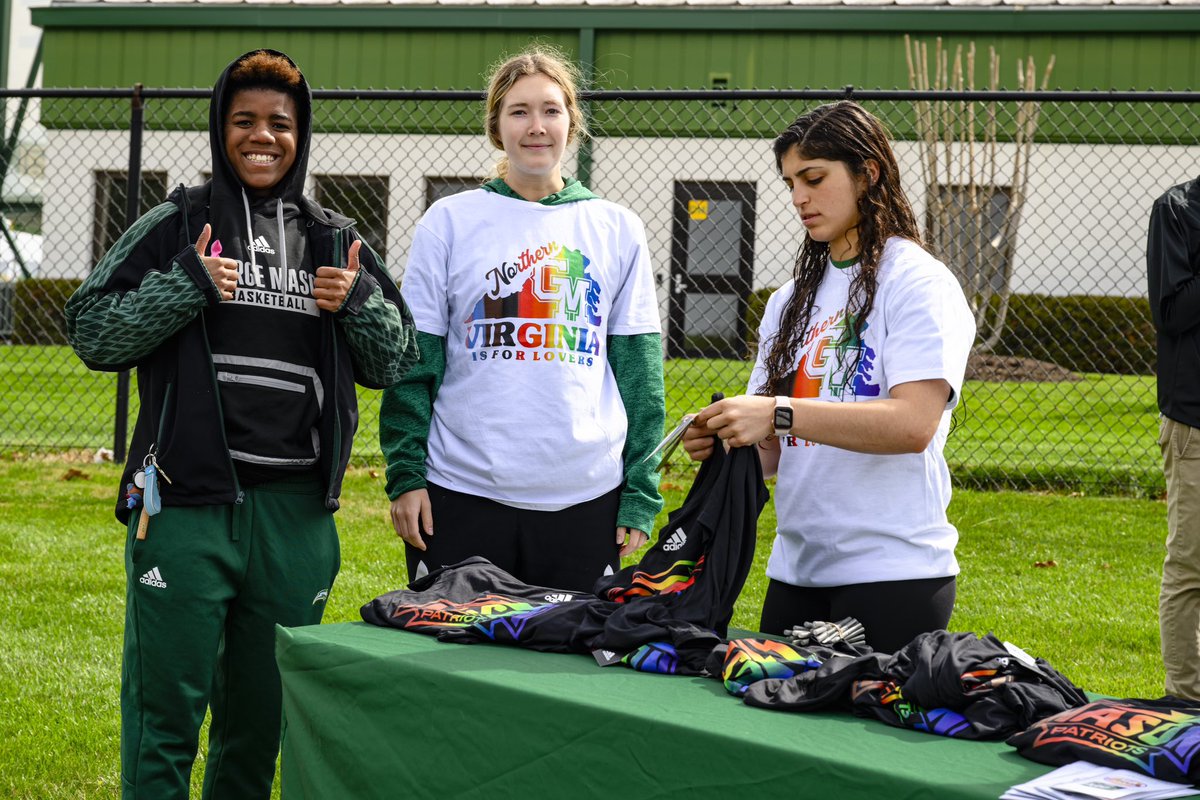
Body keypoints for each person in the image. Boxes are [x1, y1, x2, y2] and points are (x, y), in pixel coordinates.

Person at [65, 50, 417, 798]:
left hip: (294, 519)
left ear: (302, 134)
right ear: (221, 128)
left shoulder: (333, 236)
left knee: (259, 726)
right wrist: (184, 286)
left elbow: (397, 360)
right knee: (164, 718)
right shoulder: (177, 223)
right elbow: (92, 331)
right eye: (245, 121)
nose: (263, 137)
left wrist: (356, 304)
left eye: (280, 124)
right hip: (186, 506)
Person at [682, 101, 975, 654]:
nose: (798, 198)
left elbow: (912, 425)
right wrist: (727, 438)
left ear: (869, 174)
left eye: (814, 178)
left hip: (895, 571)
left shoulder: (918, 283)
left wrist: (776, 411)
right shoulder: (789, 301)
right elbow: (777, 451)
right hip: (797, 569)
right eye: (791, 182)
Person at [381, 46, 664, 591]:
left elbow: (641, 378)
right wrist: (407, 477)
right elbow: (412, 365)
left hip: (586, 498)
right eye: (519, 111)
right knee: (453, 664)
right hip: (460, 492)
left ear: (572, 123)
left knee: (567, 667)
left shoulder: (616, 228)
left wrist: (639, 493)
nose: (537, 126)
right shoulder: (450, 222)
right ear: (496, 126)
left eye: (551, 110)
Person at [1147, 177, 1200, 701]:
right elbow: (1172, 312)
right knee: (1191, 565)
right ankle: (1186, 699)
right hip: (1194, 422)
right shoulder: (1177, 211)